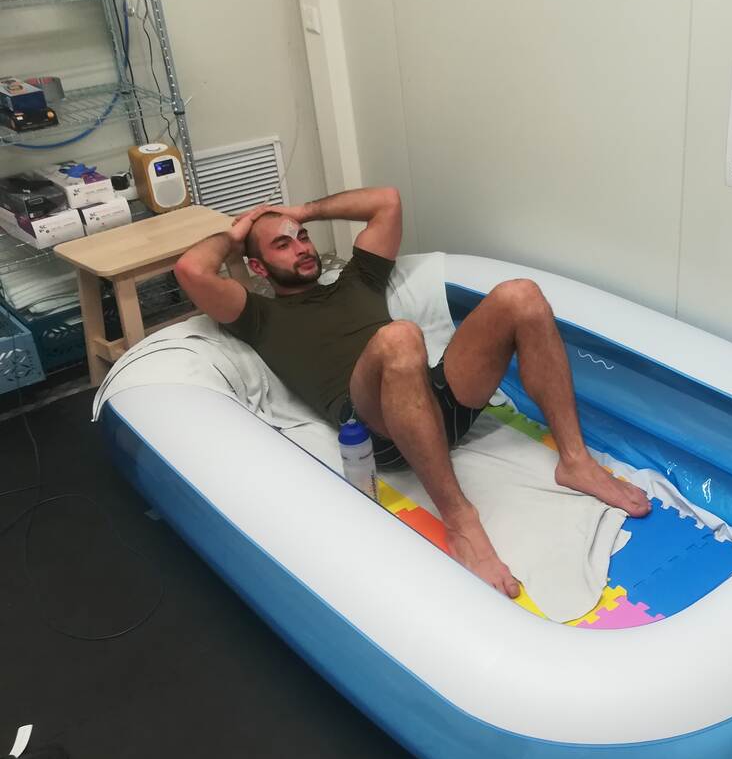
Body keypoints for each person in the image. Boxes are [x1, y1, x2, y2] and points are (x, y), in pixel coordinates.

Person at [173, 187, 650, 598]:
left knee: (521, 294)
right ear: (258, 266)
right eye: (283, 244)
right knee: (398, 338)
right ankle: (460, 520)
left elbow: (387, 201)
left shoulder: (357, 280)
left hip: (438, 402)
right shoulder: (259, 316)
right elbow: (192, 270)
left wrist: (300, 211)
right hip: (378, 430)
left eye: (302, 237)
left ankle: (575, 460)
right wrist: (238, 234)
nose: (301, 247)